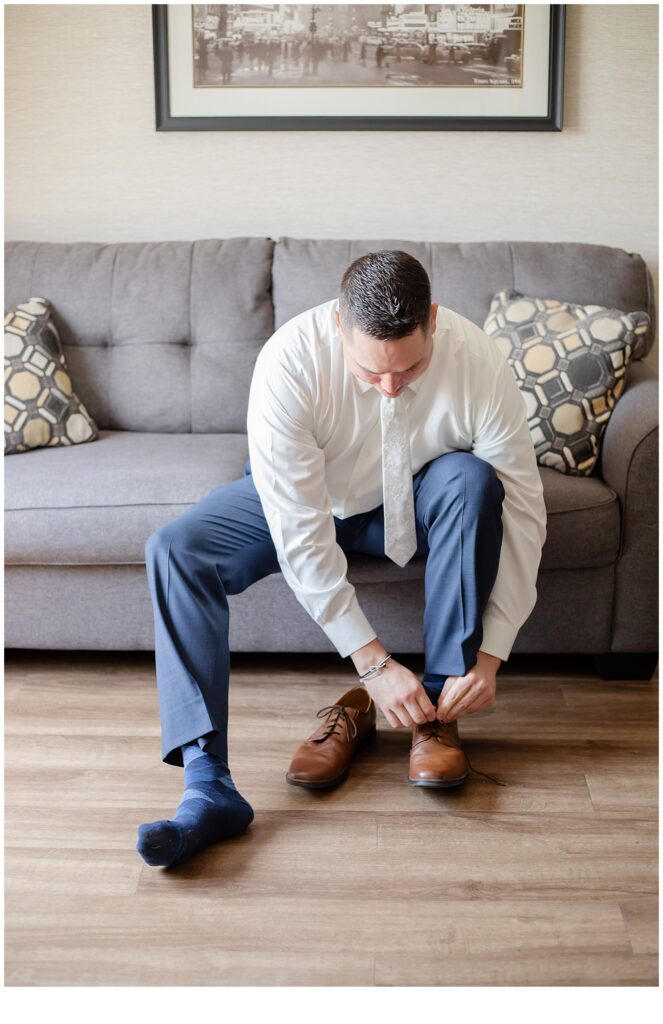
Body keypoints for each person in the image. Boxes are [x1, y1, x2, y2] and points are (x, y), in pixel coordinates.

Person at [135, 250, 547, 869]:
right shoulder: (287, 361)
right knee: (174, 550)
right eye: (370, 371)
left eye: (409, 368)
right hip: (306, 496)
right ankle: (207, 785)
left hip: (417, 495)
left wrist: (492, 655)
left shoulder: (478, 358)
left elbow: (522, 508)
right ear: (338, 326)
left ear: (432, 321)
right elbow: (299, 528)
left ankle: (436, 711)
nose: (390, 387)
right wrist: (373, 664)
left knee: (472, 479)